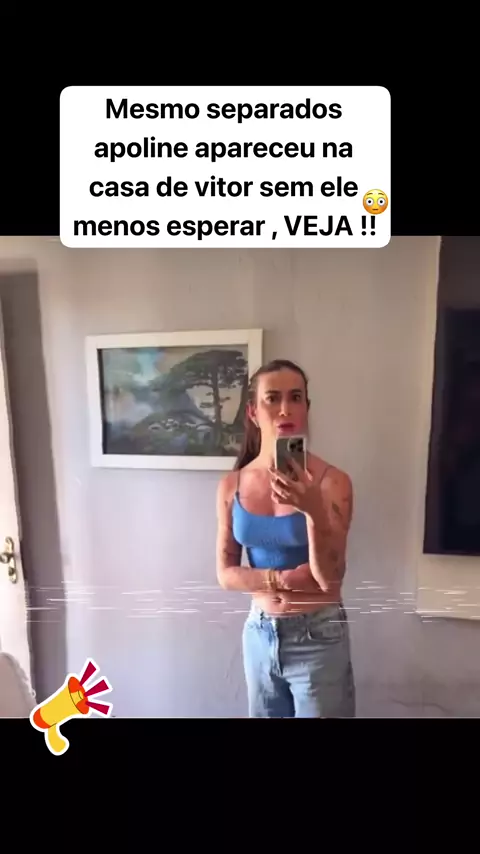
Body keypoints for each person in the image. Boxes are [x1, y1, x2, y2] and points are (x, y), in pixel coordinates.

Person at [216, 359, 356, 718]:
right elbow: (225, 574)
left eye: (295, 398)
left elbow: (330, 579)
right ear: (252, 411)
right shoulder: (232, 486)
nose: (284, 409)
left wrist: (313, 511)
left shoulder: (332, 483)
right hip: (259, 632)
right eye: (272, 398)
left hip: (318, 635)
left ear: (306, 407)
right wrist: (277, 579)